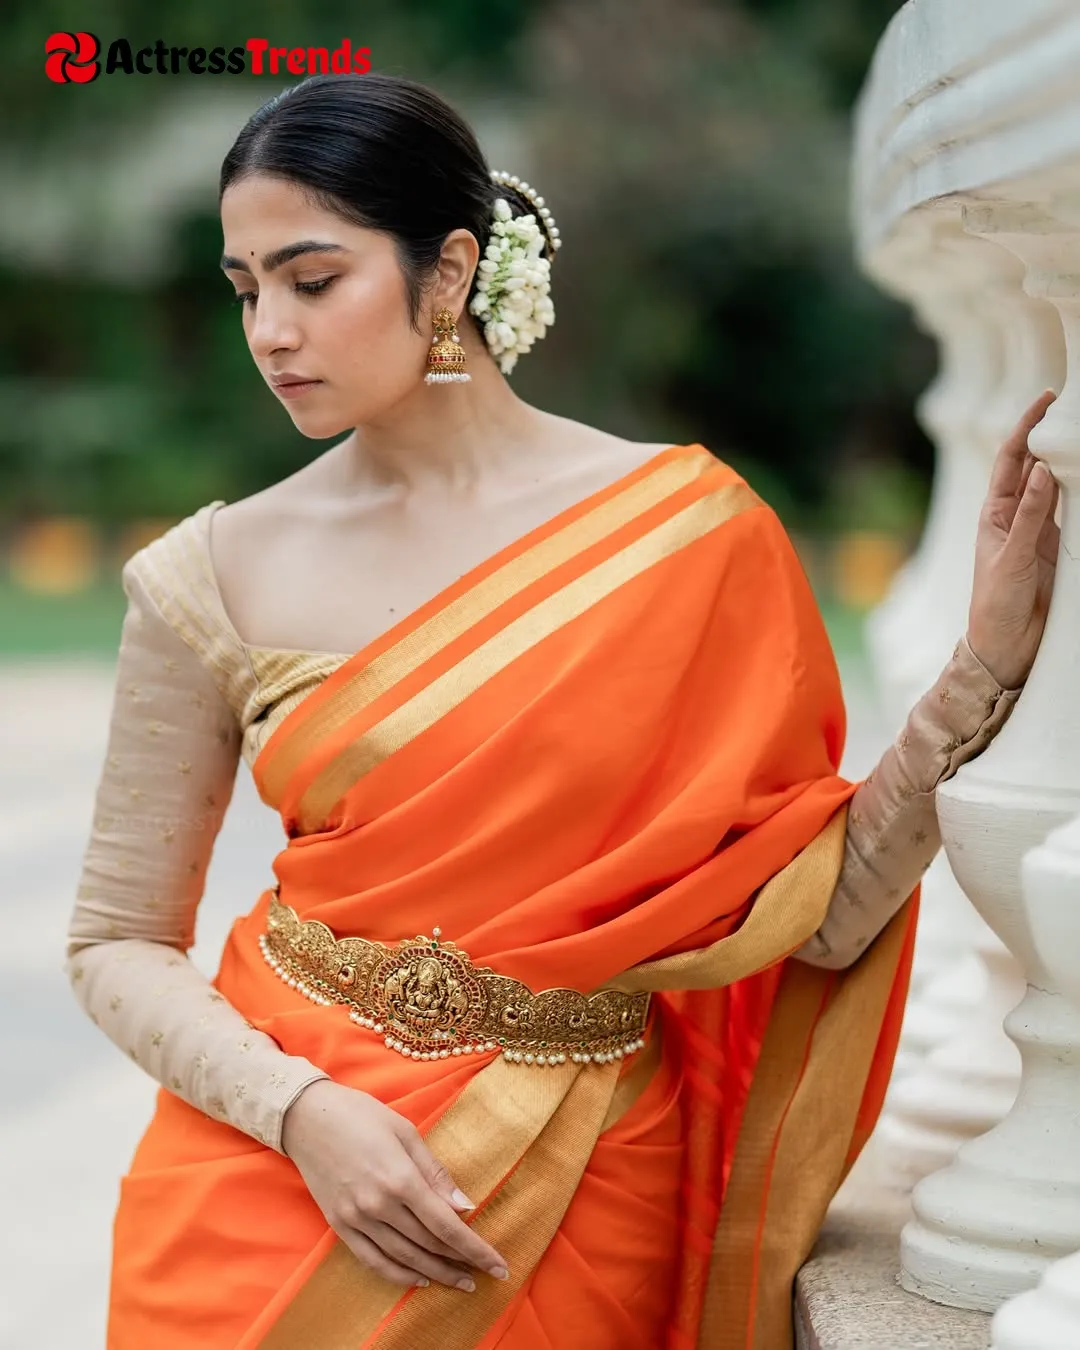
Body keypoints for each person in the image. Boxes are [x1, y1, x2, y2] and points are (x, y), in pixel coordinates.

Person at [64, 71, 1060, 1350]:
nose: (270, 331)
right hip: (261, 1172)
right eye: (246, 288)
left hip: (575, 1178)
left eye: (313, 281)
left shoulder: (687, 537)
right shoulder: (209, 573)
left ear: (448, 273)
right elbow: (115, 942)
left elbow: (809, 919)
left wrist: (983, 668)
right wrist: (303, 1111)